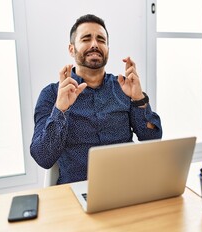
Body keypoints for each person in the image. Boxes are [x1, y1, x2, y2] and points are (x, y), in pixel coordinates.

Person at [30, 14, 162, 184]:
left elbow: (152, 140)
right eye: (86, 39)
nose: (94, 44)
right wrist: (61, 109)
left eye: (101, 40)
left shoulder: (124, 87)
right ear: (72, 49)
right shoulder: (52, 94)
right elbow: (43, 157)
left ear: (107, 48)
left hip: (127, 185)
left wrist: (138, 98)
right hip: (77, 189)